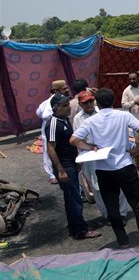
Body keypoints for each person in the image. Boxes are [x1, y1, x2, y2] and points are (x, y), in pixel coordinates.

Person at [71, 88, 139, 248]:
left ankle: (123, 241)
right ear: (113, 100)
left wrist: (89, 147)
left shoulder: (91, 121)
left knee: (112, 207)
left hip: (104, 169)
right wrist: (138, 150)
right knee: (138, 204)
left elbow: (74, 140)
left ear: (97, 102)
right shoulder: (123, 115)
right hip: (124, 165)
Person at [45, 93, 102, 240]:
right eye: (64, 106)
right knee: (74, 199)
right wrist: (60, 170)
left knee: (72, 199)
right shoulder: (53, 123)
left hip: (71, 165)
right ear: (56, 109)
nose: (68, 108)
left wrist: (86, 150)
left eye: (68, 104)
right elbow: (50, 148)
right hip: (65, 167)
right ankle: (81, 231)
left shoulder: (64, 120)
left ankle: (75, 226)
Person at [73, 90, 128, 225]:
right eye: (85, 103)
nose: (89, 105)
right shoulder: (78, 118)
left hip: (109, 153)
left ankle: (121, 213)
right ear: (80, 104)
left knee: (118, 184)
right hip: (90, 157)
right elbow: (77, 139)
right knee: (96, 187)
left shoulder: (103, 112)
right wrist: (87, 150)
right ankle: (108, 215)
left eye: (91, 101)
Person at [37, 79, 70, 184]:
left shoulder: (62, 99)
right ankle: (52, 174)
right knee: (49, 150)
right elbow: (44, 115)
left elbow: (38, 111)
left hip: (59, 128)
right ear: (57, 90)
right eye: (64, 89)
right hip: (51, 128)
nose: (67, 90)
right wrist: (56, 117)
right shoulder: (51, 101)